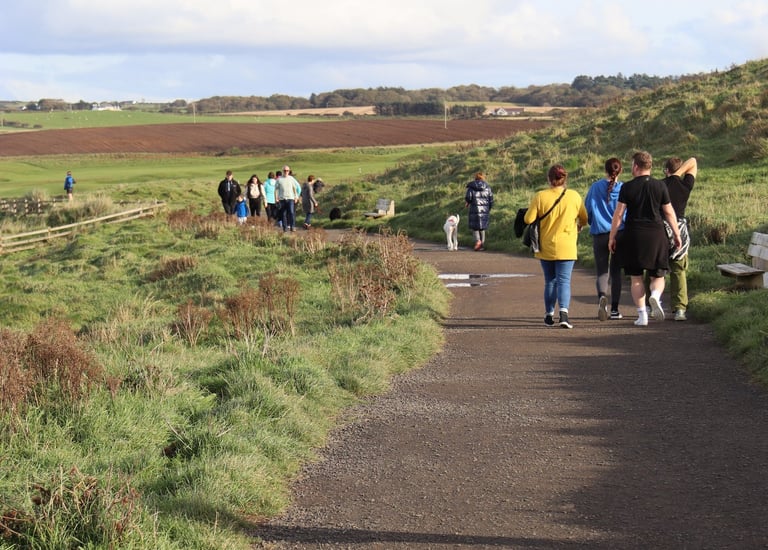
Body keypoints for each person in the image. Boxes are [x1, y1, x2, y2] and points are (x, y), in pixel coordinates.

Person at [608, 151, 681, 327]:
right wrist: (677, 234)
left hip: (634, 235)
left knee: (636, 278)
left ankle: (642, 315)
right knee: (658, 275)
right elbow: (669, 212)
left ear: (636, 166)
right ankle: (655, 296)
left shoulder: (627, 187)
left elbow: (619, 214)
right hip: (656, 235)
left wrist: (612, 236)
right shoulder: (660, 186)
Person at [524, 164, 588, 329]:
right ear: (565, 179)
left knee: (550, 281)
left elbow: (528, 219)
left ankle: (549, 315)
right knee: (564, 281)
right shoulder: (574, 196)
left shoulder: (540, 196)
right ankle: (564, 314)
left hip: (546, 246)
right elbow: (584, 218)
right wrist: (579, 225)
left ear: (549, 179)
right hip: (567, 246)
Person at [584, 158, 625, 321]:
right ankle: (615, 309)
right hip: (619, 234)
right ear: (620, 171)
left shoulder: (595, 187)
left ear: (605, 170)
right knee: (616, 272)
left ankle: (602, 297)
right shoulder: (623, 188)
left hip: (600, 234)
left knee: (602, 271)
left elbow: (587, 210)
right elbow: (625, 213)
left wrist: (592, 222)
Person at [663, 157, 697, 321]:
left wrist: (672, 176)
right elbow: (693, 161)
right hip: (680, 229)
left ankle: (649, 305)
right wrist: (678, 175)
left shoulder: (660, 185)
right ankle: (680, 309)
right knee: (678, 270)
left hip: (662, 229)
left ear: (666, 170)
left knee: (654, 269)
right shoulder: (685, 185)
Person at [464, 171, 493, 251]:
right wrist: (488, 208)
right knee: (482, 227)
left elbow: (468, 197)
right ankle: (482, 245)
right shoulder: (487, 187)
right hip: (484, 210)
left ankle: (478, 241)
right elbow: (491, 200)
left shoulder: (471, 187)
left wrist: (467, 202)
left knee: (475, 227)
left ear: (475, 178)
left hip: (474, 209)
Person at [275, 166, 300, 231]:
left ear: (289, 171)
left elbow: (294, 188)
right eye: (284, 170)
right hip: (282, 199)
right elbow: (276, 189)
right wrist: (276, 198)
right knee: (283, 214)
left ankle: (292, 226)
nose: (286, 172)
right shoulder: (279, 179)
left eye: (287, 170)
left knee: (291, 212)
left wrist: (296, 197)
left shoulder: (291, 178)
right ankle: (285, 227)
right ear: (282, 171)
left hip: (290, 198)